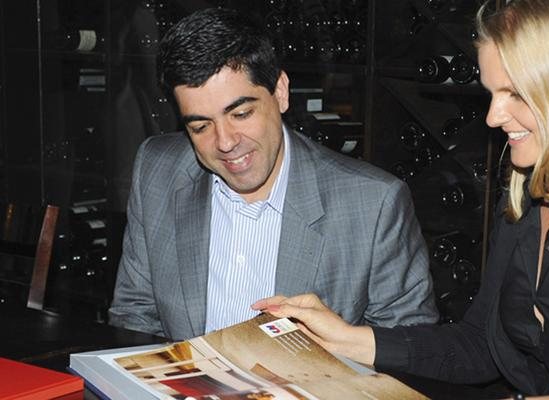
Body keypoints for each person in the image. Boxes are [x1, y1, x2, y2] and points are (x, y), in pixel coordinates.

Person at [252, 0, 549, 398]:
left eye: (514, 94)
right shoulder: (531, 192)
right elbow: (480, 345)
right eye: (490, 93)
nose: (492, 117)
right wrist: (348, 338)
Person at [108, 7, 438, 341]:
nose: (224, 142)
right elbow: (135, 315)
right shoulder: (156, 169)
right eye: (200, 125)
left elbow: (406, 351)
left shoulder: (373, 204)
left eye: (240, 113)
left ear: (280, 91)